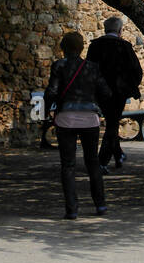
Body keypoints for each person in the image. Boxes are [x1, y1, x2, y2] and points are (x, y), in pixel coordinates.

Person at [44, 32, 112, 219]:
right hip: (90, 119)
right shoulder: (92, 67)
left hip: (66, 119)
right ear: (81, 48)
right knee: (93, 163)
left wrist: (48, 110)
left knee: (68, 165)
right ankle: (100, 205)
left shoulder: (59, 66)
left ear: (63, 48)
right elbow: (105, 92)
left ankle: (72, 209)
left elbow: (52, 91)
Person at [86, 16, 143, 172]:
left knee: (112, 122)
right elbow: (137, 71)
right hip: (119, 93)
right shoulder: (124, 47)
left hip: (99, 92)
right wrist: (129, 87)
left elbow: (89, 69)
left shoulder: (95, 46)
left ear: (105, 29)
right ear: (120, 30)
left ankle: (118, 155)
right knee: (112, 123)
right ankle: (102, 161)